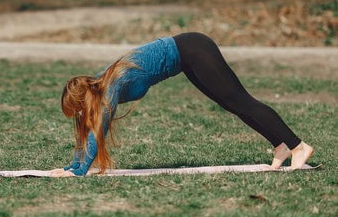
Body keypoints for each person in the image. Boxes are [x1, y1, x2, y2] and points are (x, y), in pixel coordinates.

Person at [53, 32, 314, 177]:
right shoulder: (98, 85)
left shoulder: (109, 86)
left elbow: (96, 131)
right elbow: (88, 129)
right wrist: (72, 166)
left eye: (77, 109)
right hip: (186, 60)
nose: (79, 114)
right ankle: (280, 145)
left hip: (192, 49)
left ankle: (298, 145)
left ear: (83, 96)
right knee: (232, 105)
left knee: (241, 101)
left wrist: (79, 173)